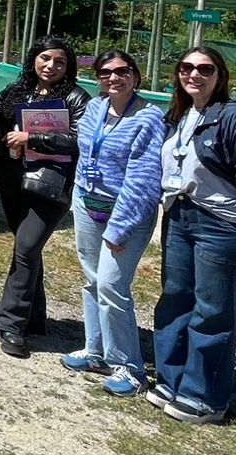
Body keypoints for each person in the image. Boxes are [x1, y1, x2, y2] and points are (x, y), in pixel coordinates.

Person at [150, 47, 236, 423]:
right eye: (186, 67)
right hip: (180, 216)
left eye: (204, 68)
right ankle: (171, 380)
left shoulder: (235, 118)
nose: (194, 74)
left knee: (212, 310)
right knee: (176, 300)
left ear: (219, 75)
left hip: (221, 224)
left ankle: (204, 396)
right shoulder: (179, 115)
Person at [63, 48, 165, 395]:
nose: (113, 78)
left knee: (111, 284)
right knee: (92, 279)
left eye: (121, 71)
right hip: (88, 206)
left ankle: (130, 368)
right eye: (105, 73)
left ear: (135, 76)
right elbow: (85, 156)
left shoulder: (149, 118)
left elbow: (144, 178)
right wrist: (78, 200)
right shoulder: (94, 108)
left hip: (127, 213)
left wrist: (120, 227)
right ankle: (97, 352)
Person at [0, 36, 88, 357]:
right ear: (34, 58)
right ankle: (35, 316)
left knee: (26, 247)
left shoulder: (76, 98)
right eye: (45, 58)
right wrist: (8, 142)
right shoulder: (15, 91)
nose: (51, 66)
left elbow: (79, 141)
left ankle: (11, 325)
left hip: (51, 185)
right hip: (13, 180)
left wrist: (32, 137)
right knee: (28, 249)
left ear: (68, 66)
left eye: (59, 61)